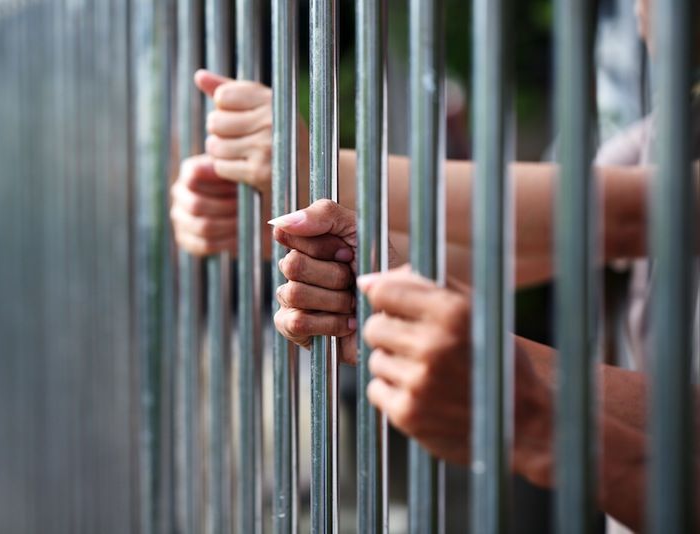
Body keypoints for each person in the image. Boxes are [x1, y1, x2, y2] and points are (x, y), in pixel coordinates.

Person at [169, 0, 699, 530]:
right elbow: (509, 251)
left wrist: (319, 168)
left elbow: (630, 213)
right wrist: (307, 231)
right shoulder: (666, 126)